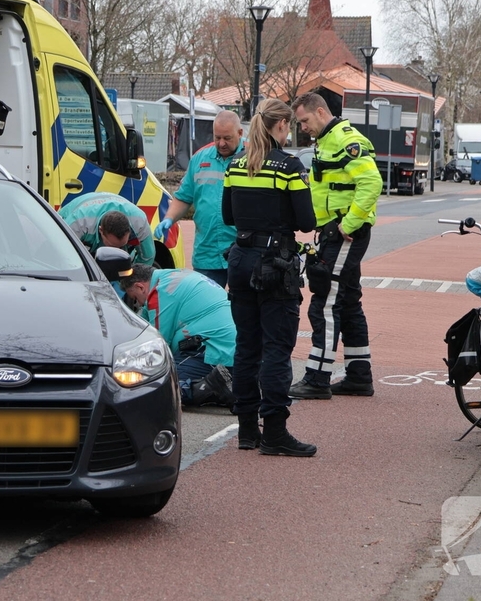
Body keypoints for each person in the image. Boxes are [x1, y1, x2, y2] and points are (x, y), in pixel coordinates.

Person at [223, 97, 317, 457]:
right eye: (289, 126)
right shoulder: (289, 167)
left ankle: (247, 429)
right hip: (275, 264)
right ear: (280, 126)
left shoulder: (237, 165)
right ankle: (275, 430)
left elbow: (228, 216)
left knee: (246, 347)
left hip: (241, 259)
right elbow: (306, 222)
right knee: (277, 349)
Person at [288, 92, 381, 400]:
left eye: (304, 120)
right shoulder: (327, 141)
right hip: (334, 231)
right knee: (349, 301)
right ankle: (358, 376)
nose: (303, 127)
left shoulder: (343, 140)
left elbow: (372, 182)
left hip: (343, 234)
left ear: (320, 111)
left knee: (325, 301)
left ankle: (317, 378)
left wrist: (348, 224)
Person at [120, 264, 235, 408]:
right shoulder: (173, 276)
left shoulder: (160, 292)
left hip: (214, 349)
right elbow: (140, 322)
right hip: (229, 345)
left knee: (156, 387)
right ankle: (230, 382)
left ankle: (211, 386)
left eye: (135, 298)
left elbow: (157, 344)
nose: (138, 303)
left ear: (140, 287)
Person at [154, 109, 244, 286]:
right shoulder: (200, 159)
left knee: (241, 310)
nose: (221, 143)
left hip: (241, 251)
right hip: (207, 252)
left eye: (227, 138)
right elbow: (184, 197)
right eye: (217, 137)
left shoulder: (252, 158)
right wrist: (169, 219)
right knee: (206, 307)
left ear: (240, 133)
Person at [58, 192, 156, 266]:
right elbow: (62, 256)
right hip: (70, 222)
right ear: (101, 231)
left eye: (122, 246)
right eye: (113, 246)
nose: (117, 251)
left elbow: (148, 256)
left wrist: (131, 280)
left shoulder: (139, 221)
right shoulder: (78, 223)